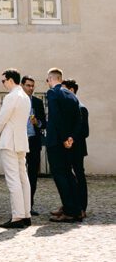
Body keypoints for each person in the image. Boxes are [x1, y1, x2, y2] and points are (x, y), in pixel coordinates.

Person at [0, 69, 32, 229]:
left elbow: (2, 119)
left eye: (3, 81)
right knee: (23, 177)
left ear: (10, 80)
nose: (3, 83)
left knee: (13, 179)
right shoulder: (26, 97)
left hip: (9, 141)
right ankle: (26, 214)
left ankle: (17, 216)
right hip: (21, 140)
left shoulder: (11, 96)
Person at [45, 67, 82, 223]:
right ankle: (77, 209)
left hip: (56, 142)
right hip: (68, 143)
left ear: (52, 79)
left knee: (60, 177)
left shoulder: (53, 93)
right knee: (69, 175)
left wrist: (62, 139)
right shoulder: (71, 95)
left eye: (47, 80)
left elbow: (55, 117)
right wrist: (71, 138)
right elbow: (79, 120)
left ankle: (69, 211)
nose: (47, 83)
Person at [63, 79, 88, 219]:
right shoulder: (71, 106)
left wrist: (71, 139)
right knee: (68, 177)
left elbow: (85, 131)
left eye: (65, 90)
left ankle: (82, 207)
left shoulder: (81, 107)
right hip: (68, 148)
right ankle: (70, 205)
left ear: (71, 90)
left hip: (77, 149)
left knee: (79, 177)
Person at [21, 75, 46, 215]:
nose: (30, 88)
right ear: (22, 86)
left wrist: (38, 123)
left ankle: (29, 205)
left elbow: (44, 122)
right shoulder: (17, 101)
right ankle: (19, 206)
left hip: (33, 142)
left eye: (32, 86)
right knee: (19, 175)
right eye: (28, 85)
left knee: (32, 175)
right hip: (19, 141)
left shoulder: (37, 102)